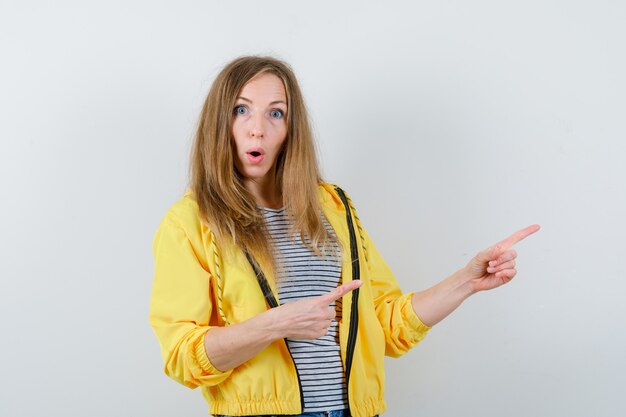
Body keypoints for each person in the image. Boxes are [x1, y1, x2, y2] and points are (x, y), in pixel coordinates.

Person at [149, 55, 540, 417]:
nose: (258, 128)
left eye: (276, 113)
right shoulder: (190, 222)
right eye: (241, 109)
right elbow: (183, 356)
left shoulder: (333, 208)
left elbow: (386, 323)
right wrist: (273, 325)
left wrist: (466, 281)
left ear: (290, 129)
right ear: (220, 123)